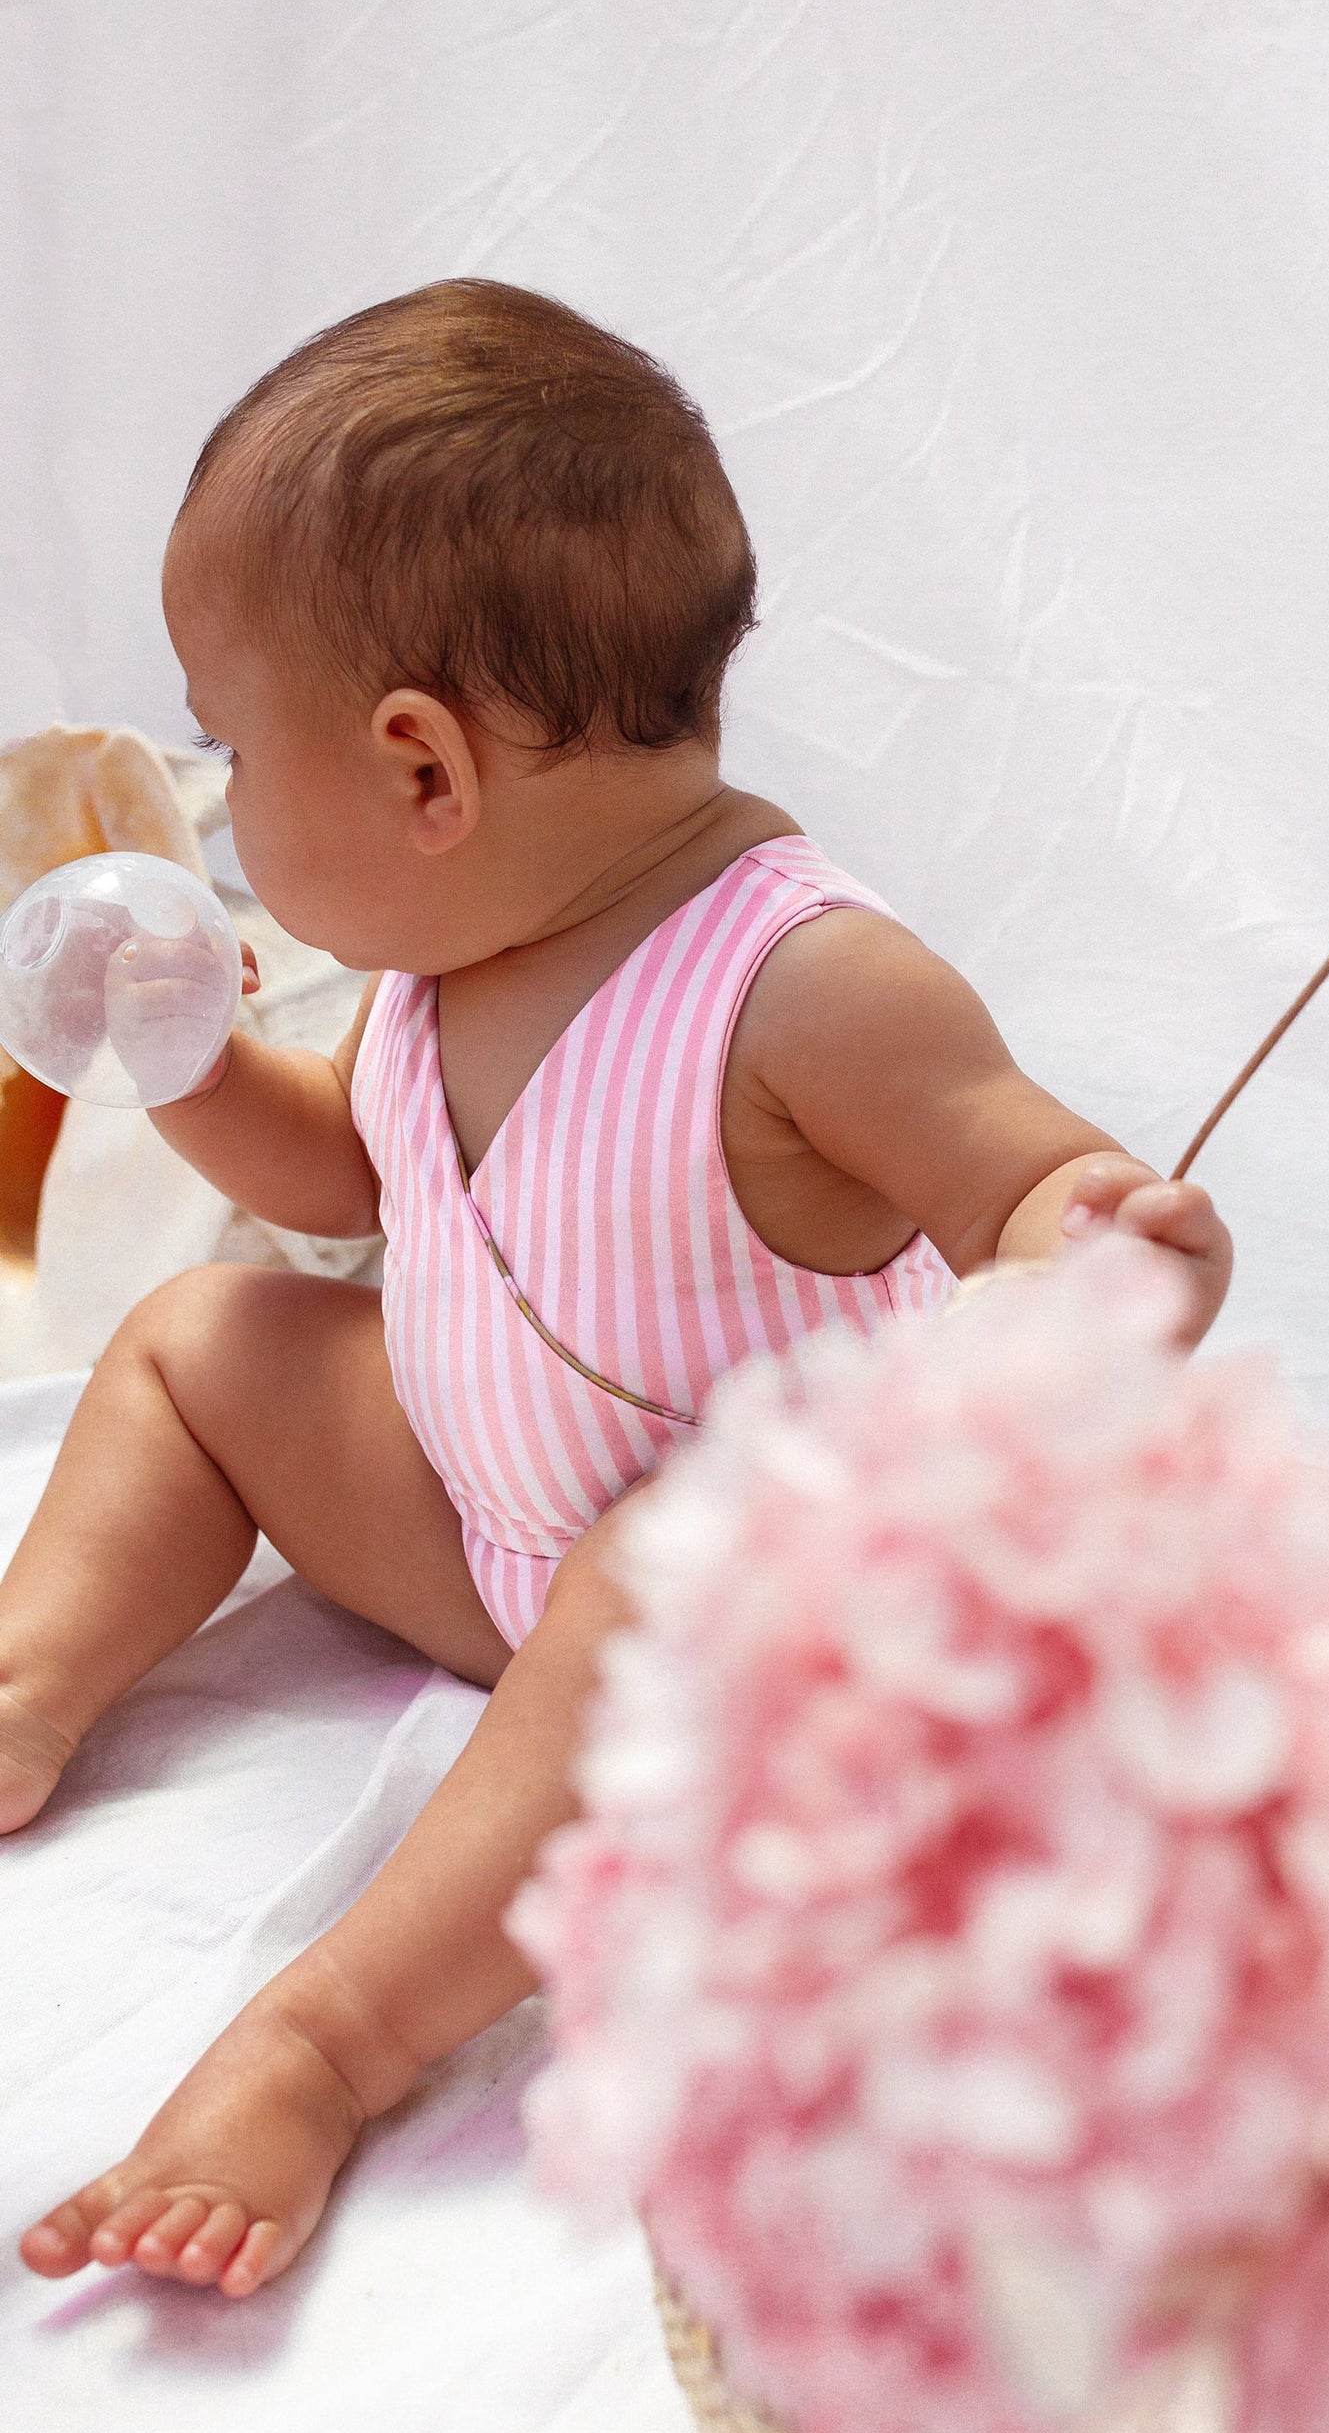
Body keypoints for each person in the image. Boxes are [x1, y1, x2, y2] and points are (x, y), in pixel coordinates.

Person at [3, 280, 1233, 2301]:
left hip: (742, 1644)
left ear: (421, 768)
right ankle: (28, 1682)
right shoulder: (447, 952)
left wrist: (1088, 1244)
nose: (222, 793)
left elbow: (1030, 1185)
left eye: (233, 746)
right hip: (490, 1535)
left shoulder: (805, 980)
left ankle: (324, 2040)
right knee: (201, 1340)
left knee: (671, 1547)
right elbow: (354, 1177)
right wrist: (201, 1066)